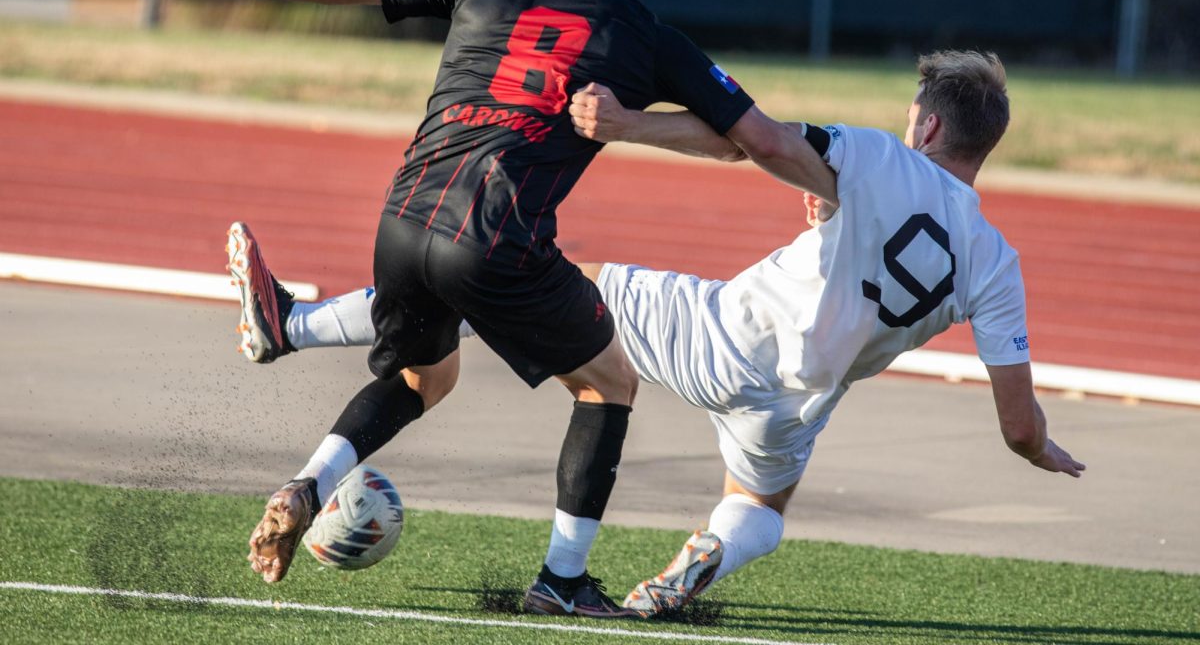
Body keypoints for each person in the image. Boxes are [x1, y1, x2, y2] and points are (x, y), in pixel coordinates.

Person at [149, 0, 819, 617]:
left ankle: (305, 481)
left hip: (402, 217)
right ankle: (561, 582)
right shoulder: (644, 35)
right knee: (609, 382)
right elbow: (750, 139)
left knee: (422, 378)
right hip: (498, 235)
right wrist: (644, 127)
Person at [224, 50, 1086, 617]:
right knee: (760, 509)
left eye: (913, 117)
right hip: (799, 405)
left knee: (528, 280)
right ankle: (699, 556)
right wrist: (1044, 450)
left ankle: (293, 322)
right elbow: (1017, 425)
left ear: (928, 125)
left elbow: (755, 141)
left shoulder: (880, 155)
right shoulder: (998, 263)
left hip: (716, 334)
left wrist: (631, 125)